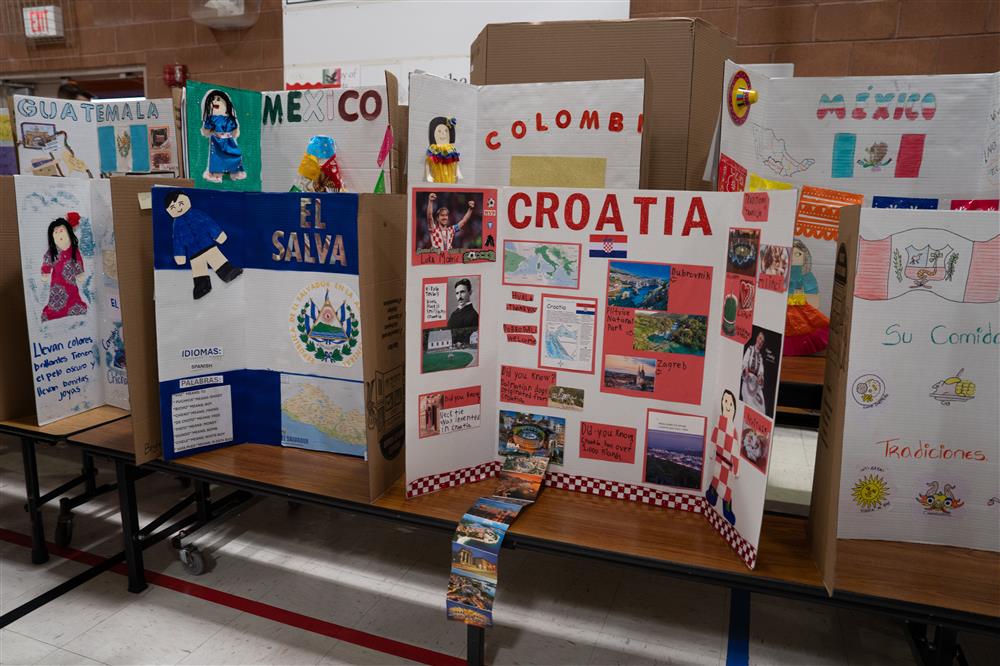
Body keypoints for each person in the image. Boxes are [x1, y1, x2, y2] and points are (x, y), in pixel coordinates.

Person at [164, 191, 242, 300]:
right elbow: (177, 241)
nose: (178, 208)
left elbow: (209, 223)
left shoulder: (197, 214)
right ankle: (202, 287)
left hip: (209, 246)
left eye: (180, 204)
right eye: (173, 207)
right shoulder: (176, 225)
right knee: (199, 271)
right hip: (194, 254)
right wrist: (180, 255)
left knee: (218, 261)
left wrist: (218, 234)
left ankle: (228, 273)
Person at [784, 239, 828, 355]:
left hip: (799, 307)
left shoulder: (807, 276)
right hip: (783, 306)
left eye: (798, 254)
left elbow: (813, 298)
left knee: (802, 328)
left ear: (805, 257)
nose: (793, 257)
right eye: (790, 253)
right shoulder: (779, 271)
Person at [40, 213, 87, 322]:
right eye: (55, 232)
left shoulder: (73, 250)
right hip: (57, 283)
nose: (59, 235)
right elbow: (47, 260)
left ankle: (74, 308)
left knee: (73, 294)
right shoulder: (53, 252)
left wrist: (79, 273)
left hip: (71, 282)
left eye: (61, 231)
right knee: (55, 298)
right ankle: (55, 312)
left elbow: (78, 261)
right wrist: (45, 271)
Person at [706, 390, 740, 525]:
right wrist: (711, 451)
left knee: (727, 489)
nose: (728, 405)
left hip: (728, 465)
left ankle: (727, 509)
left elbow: (736, 452)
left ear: (734, 408)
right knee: (715, 479)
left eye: (730, 403)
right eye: (725, 401)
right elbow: (714, 438)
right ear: (721, 403)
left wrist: (736, 469)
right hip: (719, 460)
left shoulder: (733, 430)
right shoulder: (719, 423)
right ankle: (712, 496)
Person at [200, 90, 246, 183]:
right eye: (213, 100)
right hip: (217, 141)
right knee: (217, 157)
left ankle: (234, 172)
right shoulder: (211, 118)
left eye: (218, 99)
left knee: (234, 154)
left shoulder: (229, 119)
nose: (215, 102)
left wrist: (234, 132)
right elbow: (207, 128)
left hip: (228, 140)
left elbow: (233, 127)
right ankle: (217, 175)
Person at [425, 116, 462, 183]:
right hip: (437, 176)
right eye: (439, 131)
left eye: (446, 131)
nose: (443, 133)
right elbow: (428, 162)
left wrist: (457, 172)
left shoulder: (451, 148)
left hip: (450, 176)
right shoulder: (434, 148)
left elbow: (455, 161)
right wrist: (428, 174)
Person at [741, 331, 767, 414]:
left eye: (762, 341)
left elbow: (761, 371)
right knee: (748, 403)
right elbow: (744, 362)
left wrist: (760, 377)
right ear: (756, 338)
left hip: (755, 383)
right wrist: (746, 370)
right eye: (760, 339)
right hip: (748, 379)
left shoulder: (760, 357)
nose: (760, 342)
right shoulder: (750, 349)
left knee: (761, 407)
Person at [447, 278, 478, 346]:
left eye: (462, 292)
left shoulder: (474, 315)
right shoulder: (453, 314)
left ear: (470, 292)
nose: (459, 296)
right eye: (457, 293)